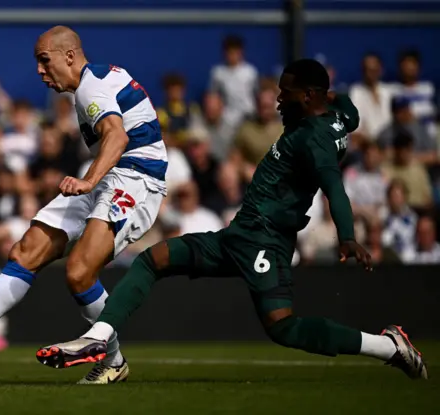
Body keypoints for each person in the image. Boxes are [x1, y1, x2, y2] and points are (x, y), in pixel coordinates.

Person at [36, 59, 428, 381]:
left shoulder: (314, 140)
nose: (278, 98)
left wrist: (347, 236)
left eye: (286, 92)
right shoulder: (338, 116)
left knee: (283, 327)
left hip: (265, 240)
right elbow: (348, 109)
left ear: (308, 97)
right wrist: (331, 95)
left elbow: (335, 188)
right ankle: (99, 338)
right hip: (242, 233)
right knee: (152, 260)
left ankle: (388, 346)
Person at [0, 25, 168, 385]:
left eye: (44, 60)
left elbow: (117, 136)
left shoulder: (91, 87)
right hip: (109, 176)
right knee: (26, 250)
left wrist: (88, 181)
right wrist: (92, 181)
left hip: (136, 178)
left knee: (80, 271)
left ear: (69, 56)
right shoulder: (94, 82)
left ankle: (112, 361)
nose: (39, 71)